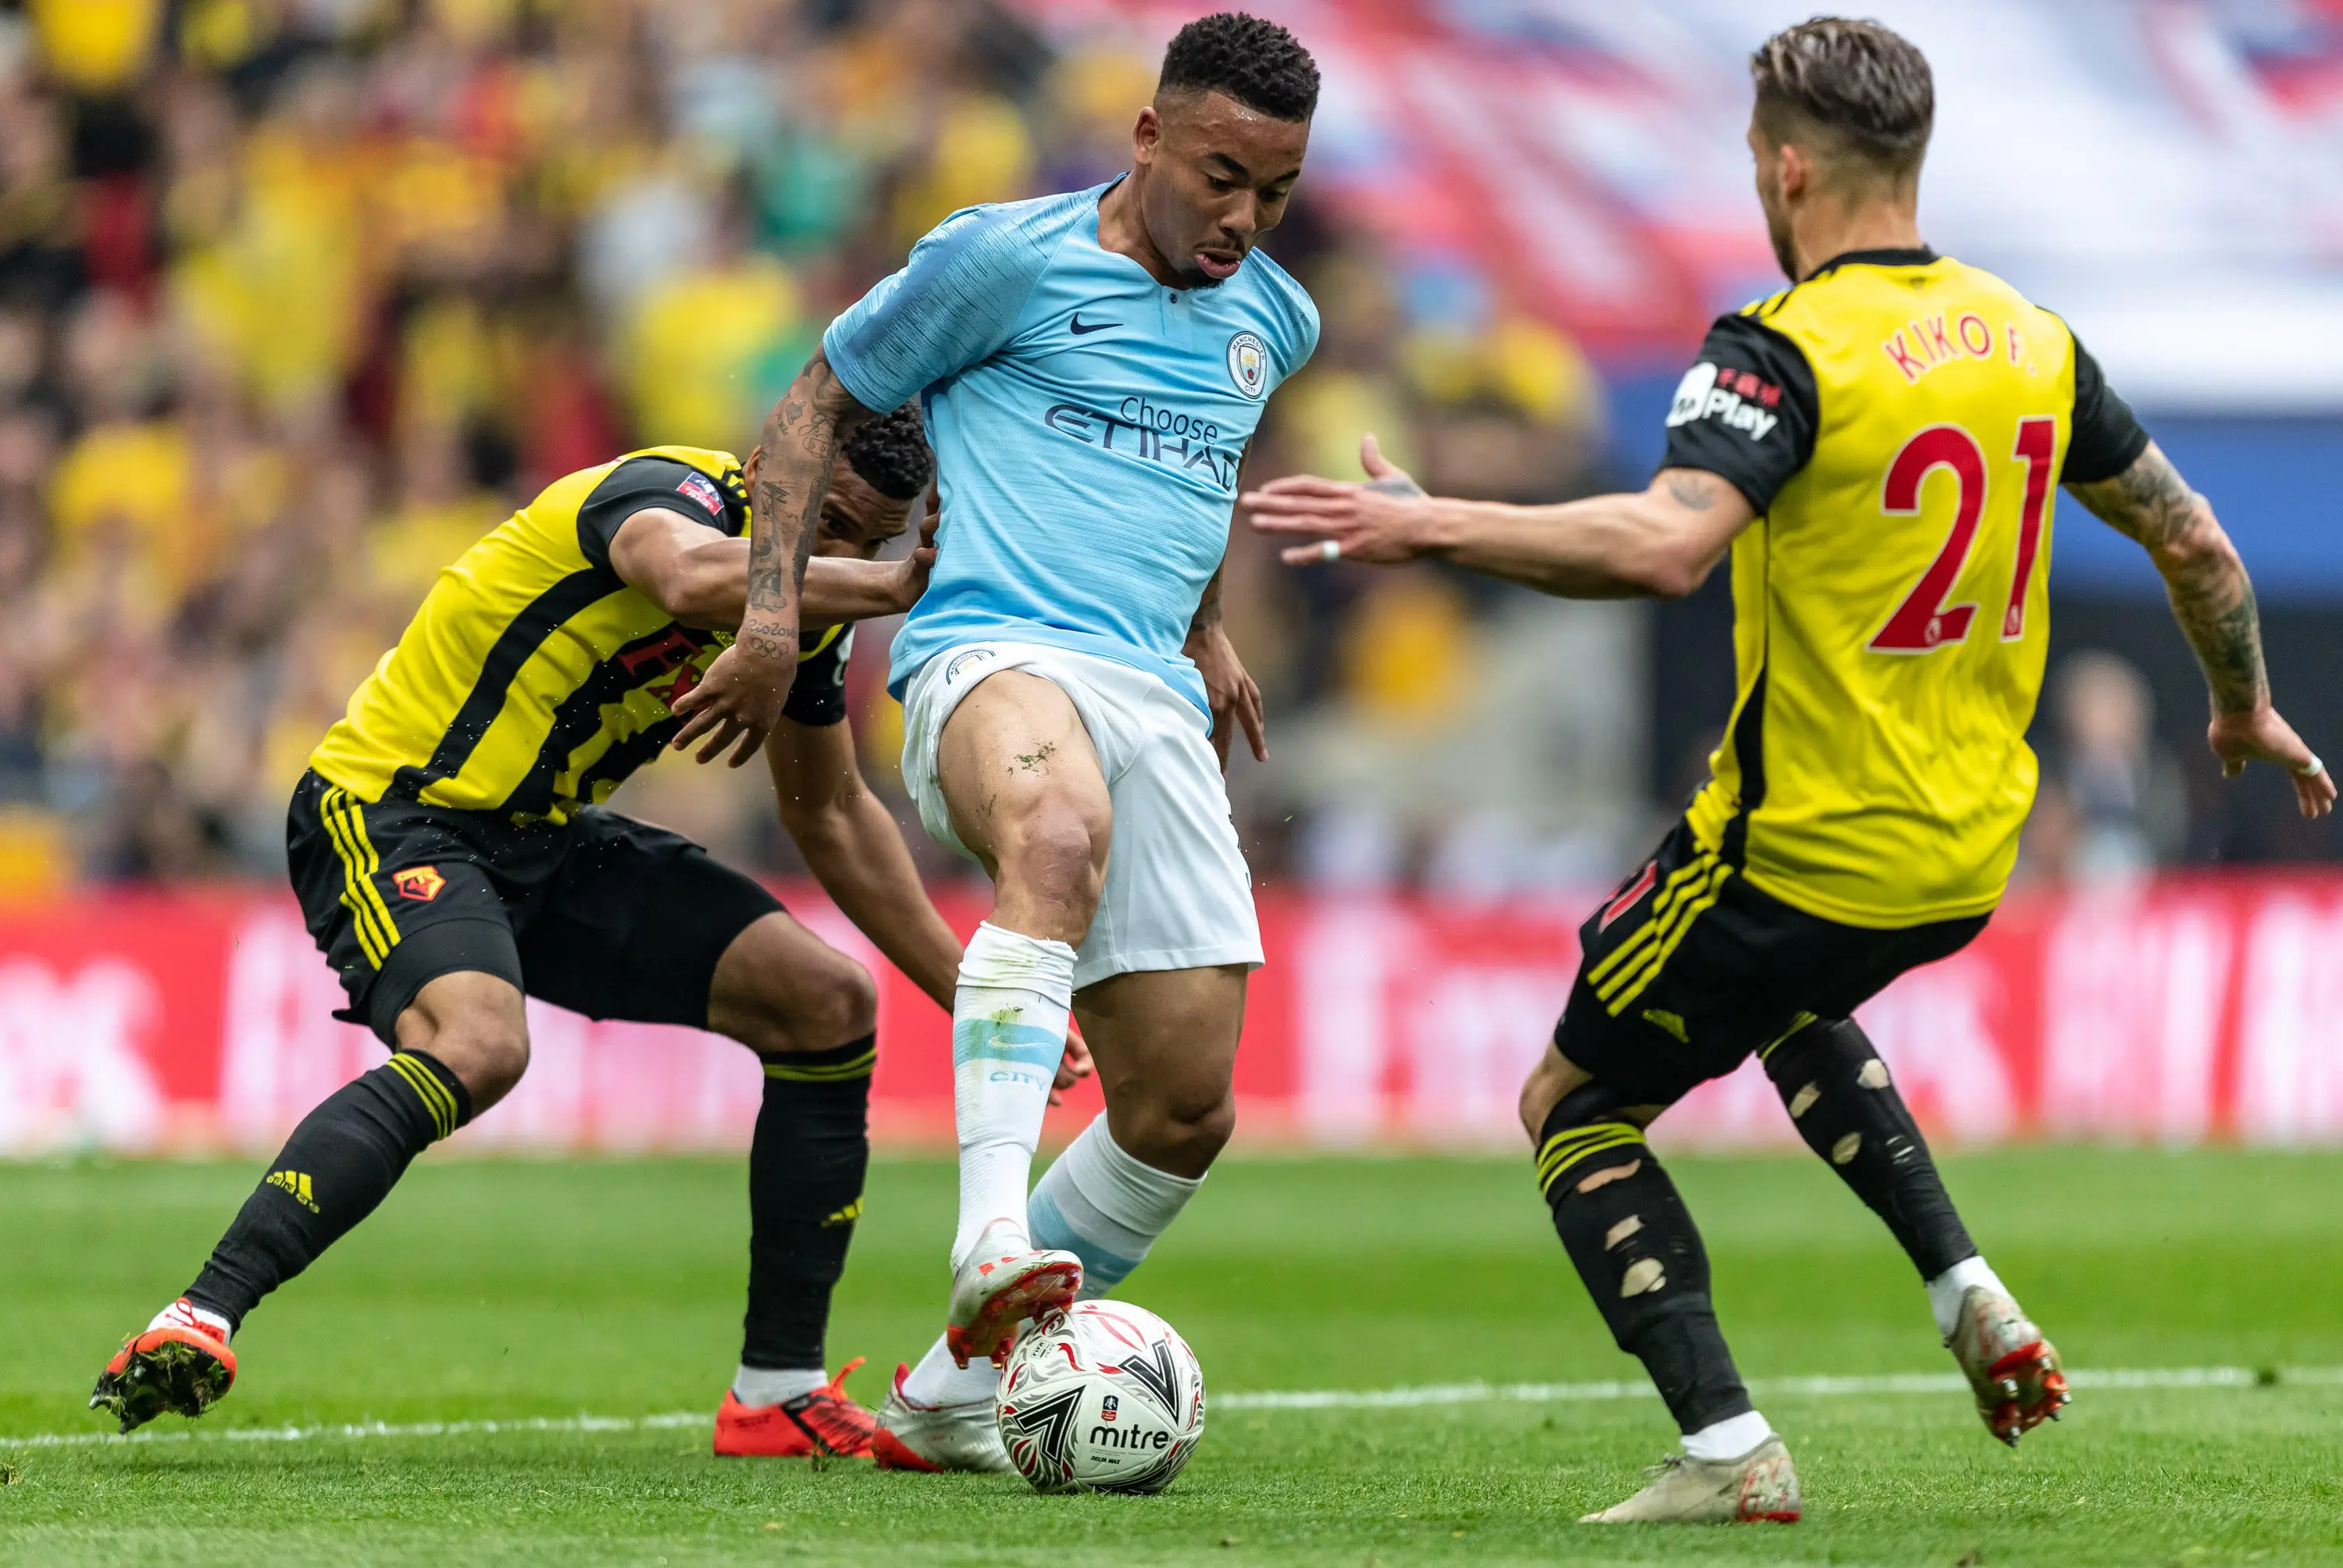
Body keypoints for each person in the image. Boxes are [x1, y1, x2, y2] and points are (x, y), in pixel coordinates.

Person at [1243, 16, 2334, 1525]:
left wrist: (1437, 524)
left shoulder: (1781, 347)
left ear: (1789, 162)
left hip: (1797, 848)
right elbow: (2197, 540)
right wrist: (2239, 711)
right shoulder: (2029, 336)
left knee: (1573, 1104)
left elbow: (1666, 542)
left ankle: (1725, 1450)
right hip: (1968, 858)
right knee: (1782, 1001)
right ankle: (1966, 1288)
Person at [87, 408, 1061, 1463]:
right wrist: (885, 588)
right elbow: (688, 580)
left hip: (544, 845)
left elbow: (829, 811)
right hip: (393, 811)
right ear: (770, 477)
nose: (836, 557)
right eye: (823, 523)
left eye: (865, 542)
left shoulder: (811, 611)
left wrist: (972, 992)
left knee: (825, 1001)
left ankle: (776, 1391)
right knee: (477, 1045)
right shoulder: (664, 495)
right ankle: (202, 1314)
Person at [704, 11, 1319, 1472]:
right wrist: (776, 617)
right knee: (1052, 835)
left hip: (1148, 692)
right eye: (1223, 176)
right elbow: (814, 405)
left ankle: (944, 1396)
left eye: (1276, 193)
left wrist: (1209, 624)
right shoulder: (1001, 258)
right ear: (1150, 137)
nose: (1244, 219)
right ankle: (992, 1239)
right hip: (991, 653)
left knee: (1181, 1110)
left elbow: (1195, 469)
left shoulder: (1274, 321)